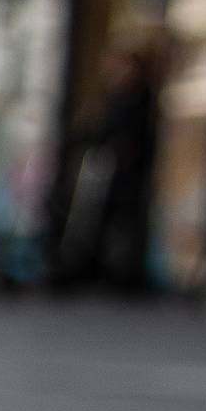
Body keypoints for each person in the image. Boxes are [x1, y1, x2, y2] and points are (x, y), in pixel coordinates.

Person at [51, 39, 169, 293]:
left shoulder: (136, 100)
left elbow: (113, 134)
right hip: (117, 175)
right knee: (110, 225)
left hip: (127, 178)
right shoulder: (117, 97)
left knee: (122, 226)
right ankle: (106, 270)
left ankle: (120, 274)